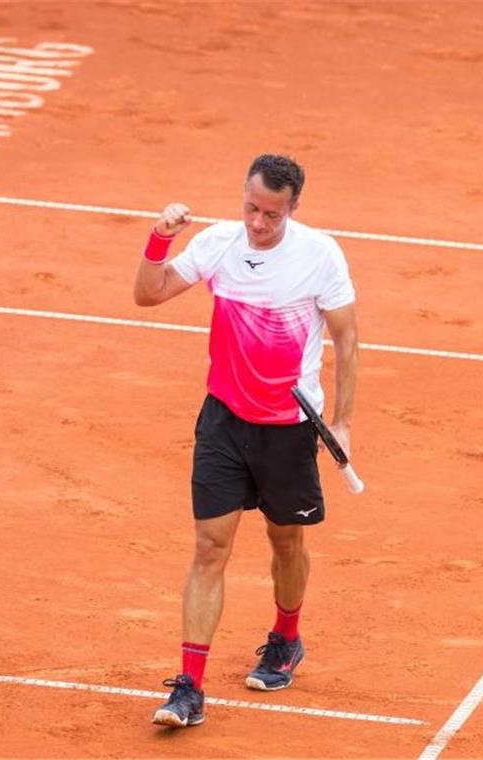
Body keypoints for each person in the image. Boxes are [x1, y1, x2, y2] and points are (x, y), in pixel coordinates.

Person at [133, 154, 359, 728]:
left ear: (294, 208)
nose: (258, 224)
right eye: (252, 209)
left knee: (286, 543)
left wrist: (343, 421)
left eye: (272, 215)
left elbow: (347, 338)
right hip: (224, 421)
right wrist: (159, 240)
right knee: (210, 547)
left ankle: (286, 636)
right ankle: (189, 687)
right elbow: (148, 294)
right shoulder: (219, 245)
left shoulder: (319, 254)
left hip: (288, 428)